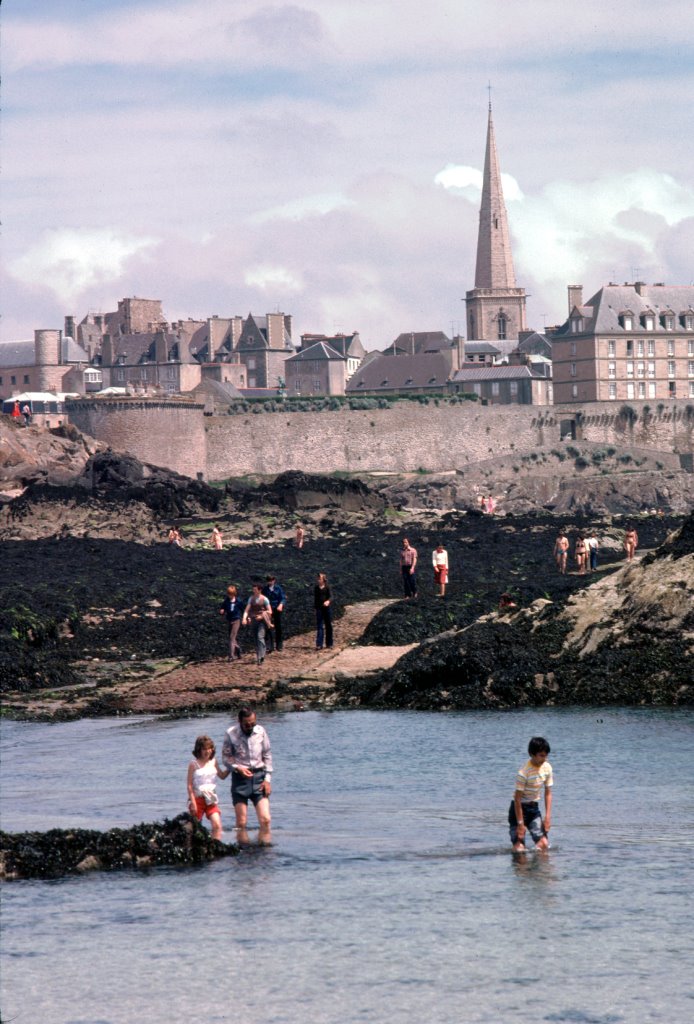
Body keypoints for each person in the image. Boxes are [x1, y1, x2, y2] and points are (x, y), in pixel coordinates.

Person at [222, 707, 272, 843]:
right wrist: (238, 768)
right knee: (241, 823)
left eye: (252, 723)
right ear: (239, 721)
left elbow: (267, 756)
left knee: (265, 820)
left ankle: (264, 852)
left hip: (259, 779)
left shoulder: (260, 731)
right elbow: (226, 758)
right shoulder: (231, 733)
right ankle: (243, 855)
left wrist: (267, 780)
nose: (250, 727)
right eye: (247, 724)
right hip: (240, 780)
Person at [509, 737, 553, 854]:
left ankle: (539, 872)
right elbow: (517, 799)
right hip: (518, 809)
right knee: (519, 849)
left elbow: (548, 792)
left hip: (533, 809)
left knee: (544, 845)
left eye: (546, 755)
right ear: (531, 754)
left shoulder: (547, 768)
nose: (545, 759)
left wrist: (547, 817)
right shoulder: (523, 772)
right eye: (541, 755)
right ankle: (520, 869)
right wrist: (520, 824)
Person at [186, 735, 229, 841]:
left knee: (217, 825)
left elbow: (222, 776)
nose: (207, 751)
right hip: (198, 798)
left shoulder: (213, 761)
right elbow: (189, 785)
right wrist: (193, 803)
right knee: (194, 828)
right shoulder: (193, 764)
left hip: (211, 799)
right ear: (198, 750)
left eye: (209, 748)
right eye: (204, 749)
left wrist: (232, 767)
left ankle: (216, 845)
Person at [243, 582, 273, 665]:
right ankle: (258, 656)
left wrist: (262, 616)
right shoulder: (251, 599)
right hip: (253, 620)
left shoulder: (265, 599)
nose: (253, 591)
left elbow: (270, 611)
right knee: (255, 638)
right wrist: (244, 618)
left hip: (262, 621)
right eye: (253, 589)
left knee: (260, 637)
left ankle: (261, 656)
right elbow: (246, 610)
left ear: (260, 590)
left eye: (255, 589)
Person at [219, 584, 244, 661]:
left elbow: (243, 610)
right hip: (229, 620)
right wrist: (222, 611)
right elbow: (222, 608)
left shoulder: (239, 601)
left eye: (231, 594)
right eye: (229, 594)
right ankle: (238, 649)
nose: (230, 596)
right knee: (232, 638)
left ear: (234, 594)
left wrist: (246, 618)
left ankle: (231, 656)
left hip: (236, 620)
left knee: (231, 637)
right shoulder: (226, 601)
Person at [263, 575, 286, 653]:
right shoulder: (265, 589)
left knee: (278, 626)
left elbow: (283, 598)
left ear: (274, 580)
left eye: (271, 580)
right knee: (268, 626)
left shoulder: (278, 588)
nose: (270, 582)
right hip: (269, 609)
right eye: (268, 580)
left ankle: (279, 644)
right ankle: (270, 645)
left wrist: (281, 604)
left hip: (277, 609)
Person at [314, 572, 333, 650]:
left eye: (320, 579)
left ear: (323, 580)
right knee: (319, 626)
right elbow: (315, 599)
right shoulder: (316, 588)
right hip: (319, 608)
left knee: (328, 625)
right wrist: (315, 608)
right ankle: (319, 644)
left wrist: (328, 601)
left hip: (327, 608)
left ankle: (329, 643)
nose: (318, 580)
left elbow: (331, 596)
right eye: (318, 579)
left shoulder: (327, 587)